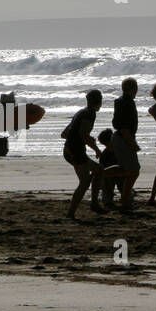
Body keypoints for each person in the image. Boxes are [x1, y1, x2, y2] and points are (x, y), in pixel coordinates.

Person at [61, 89, 106, 218]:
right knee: (85, 182)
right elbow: (83, 135)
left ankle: (94, 203)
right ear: (99, 102)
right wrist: (96, 149)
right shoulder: (90, 114)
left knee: (99, 170)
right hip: (74, 152)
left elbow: (64, 134)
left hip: (72, 150)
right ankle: (71, 213)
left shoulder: (80, 112)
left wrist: (84, 137)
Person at [109, 77, 141, 212]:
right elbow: (124, 126)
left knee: (126, 169)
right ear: (134, 89)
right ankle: (125, 199)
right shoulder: (127, 103)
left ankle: (125, 197)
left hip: (120, 137)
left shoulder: (121, 101)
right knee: (134, 170)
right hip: (123, 138)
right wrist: (131, 143)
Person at [96, 129, 124, 209]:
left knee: (124, 187)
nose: (107, 146)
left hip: (122, 175)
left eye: (107, 144)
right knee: (106, 183)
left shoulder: (120, 150)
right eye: (105, 145)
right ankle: (108, 201)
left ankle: (126, 197)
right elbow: (102, 169)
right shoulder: (104, 154)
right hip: (109, 176)